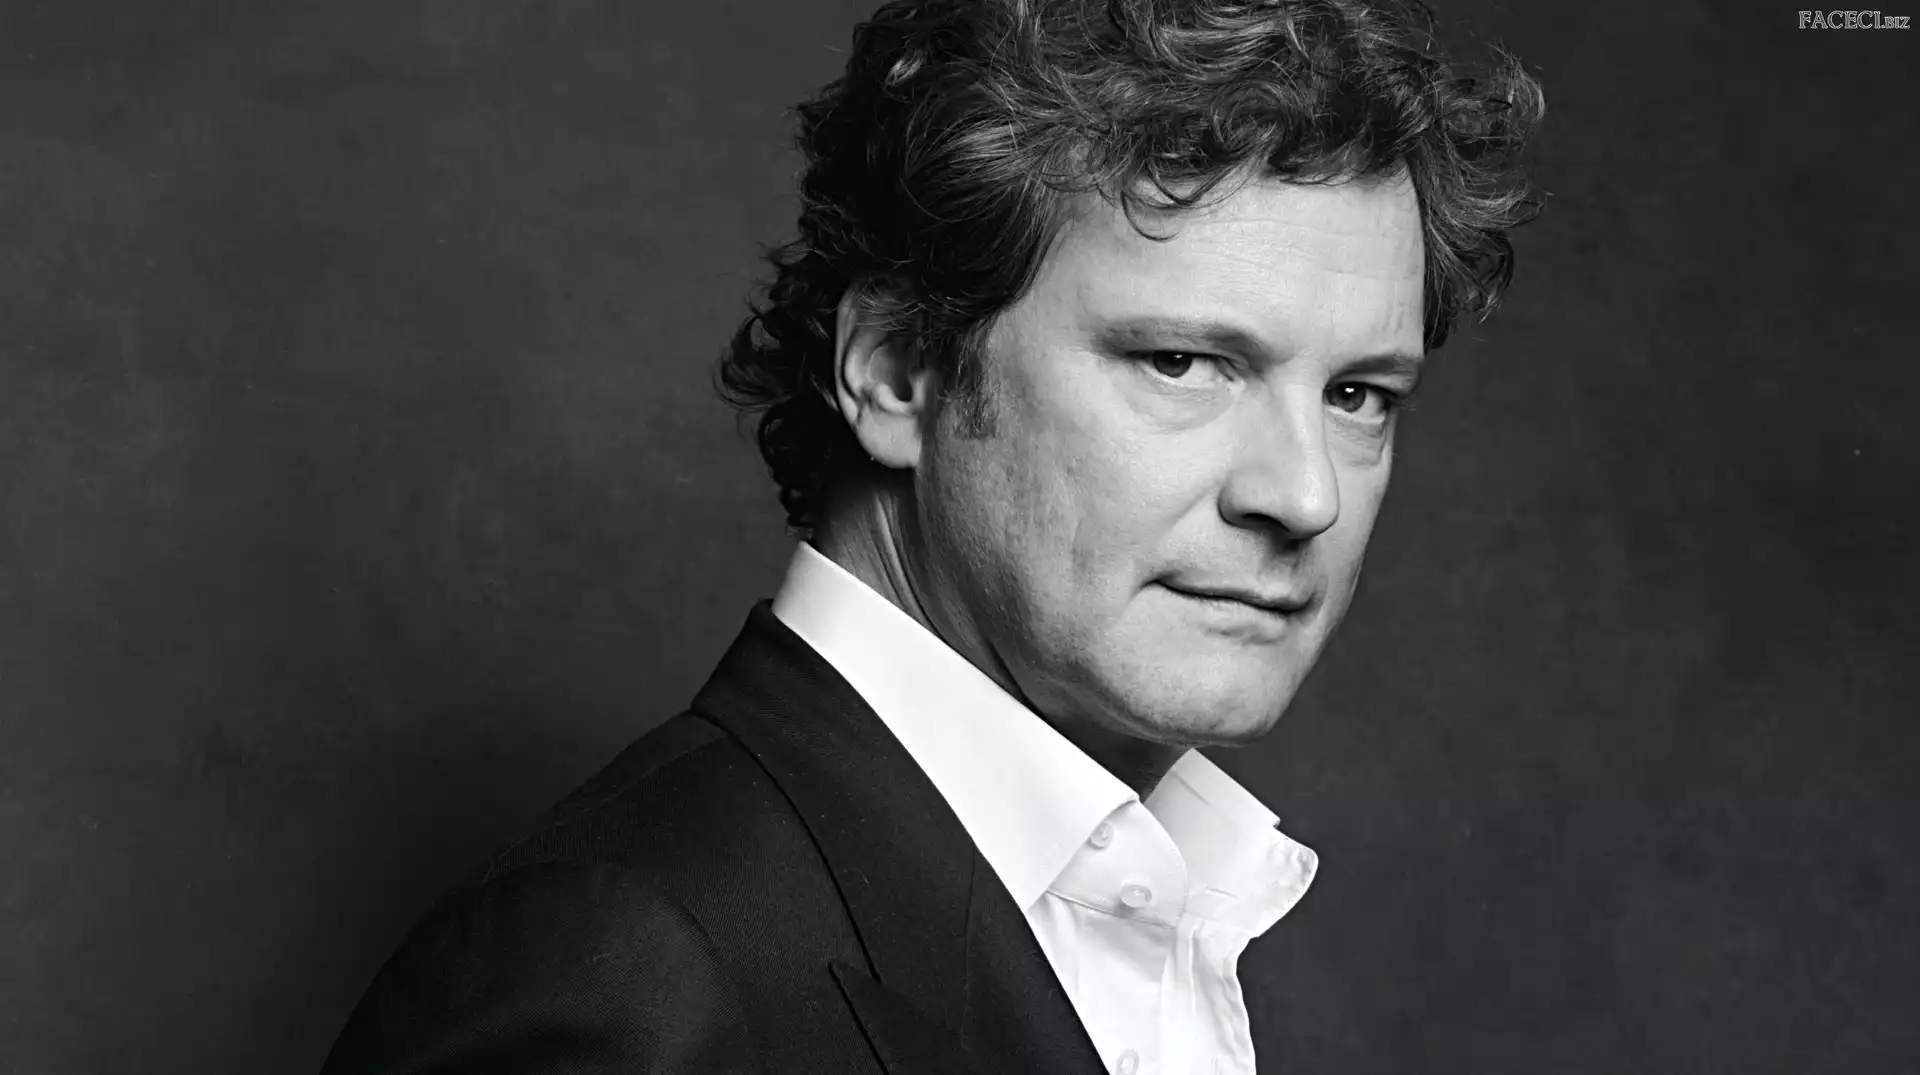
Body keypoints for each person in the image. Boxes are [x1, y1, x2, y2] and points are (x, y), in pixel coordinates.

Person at [320, 0, 1542, 1071]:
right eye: (1181, 362)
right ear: (897, 370)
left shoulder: (1133, 914)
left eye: (1359, 394)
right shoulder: (624, 973)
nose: (1306, 494)